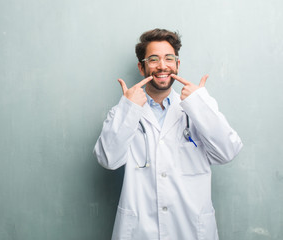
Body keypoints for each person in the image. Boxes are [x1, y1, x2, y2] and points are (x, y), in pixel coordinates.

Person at [93, 28, 243, 240]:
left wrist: (199, 106)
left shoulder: (197, 107)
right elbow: (108, 159)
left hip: (190, 229)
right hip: (140, 230)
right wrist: (129, 109)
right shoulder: (123, 111)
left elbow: (228, 152)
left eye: (169, 58)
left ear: (177, 65)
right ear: (142, 67)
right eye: (153, 59)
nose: (162, 66)